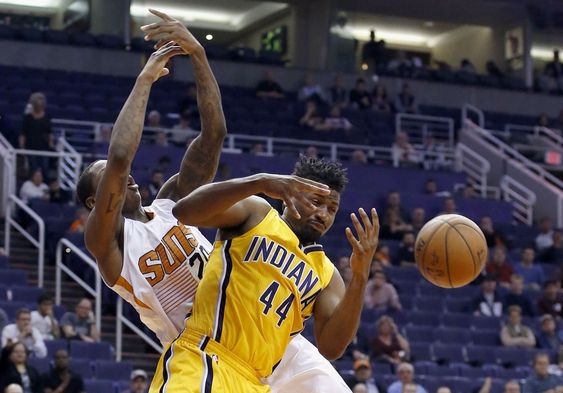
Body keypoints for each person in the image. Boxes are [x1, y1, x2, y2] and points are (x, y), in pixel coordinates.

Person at [82, 10, 355, 393]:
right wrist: (145, 81)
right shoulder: (108, 243)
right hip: (202, 348)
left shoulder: (167, 204)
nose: (125, 179)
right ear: (96, 201)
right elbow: (121, 157)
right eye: (109, 179)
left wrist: (198, 55)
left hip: (259, 333)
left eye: (125, 178)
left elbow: (214, 135)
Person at [151, 153, 379, 392]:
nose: (323, 214)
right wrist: (259, 182)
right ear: (291, 193)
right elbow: (185, 211)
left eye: (332, 208)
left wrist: (361, 276)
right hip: (204, 357)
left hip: (255, 383)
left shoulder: (327, 275)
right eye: (316, 202)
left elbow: (332, 348)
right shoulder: (258, 214)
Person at [19, 92, 53, 177]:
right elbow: (23, 134)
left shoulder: (46, 117)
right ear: (33, 105)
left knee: (45, 168)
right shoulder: (28, 118)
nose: (39, 106)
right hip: (31, 147)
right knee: (33, 168)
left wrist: (51, 144)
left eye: (40, 105)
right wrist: (22, 147)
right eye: (37, 104)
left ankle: (44, 186)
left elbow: (50, 133)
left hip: (43, 148)